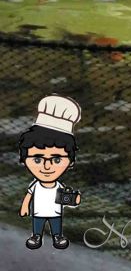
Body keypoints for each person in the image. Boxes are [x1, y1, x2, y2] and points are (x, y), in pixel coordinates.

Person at [18, 95, 82, 250]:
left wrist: (75, 199)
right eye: (38, 159)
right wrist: (25, 206)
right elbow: (29, 194)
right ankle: (36, 236)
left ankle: (57, 236)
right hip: (39, 211)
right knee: (38, 224)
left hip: (55, 212)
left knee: (56, 224)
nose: (47, 166)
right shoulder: (36, 185)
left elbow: (66, 199)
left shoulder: (59, 185)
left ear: (70, 162)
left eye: (57, 160)